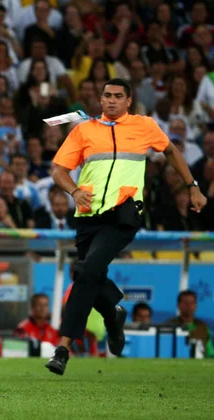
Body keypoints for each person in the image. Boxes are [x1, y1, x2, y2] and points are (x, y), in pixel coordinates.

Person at [45, 78, 207, 375]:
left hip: (124, 213)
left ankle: (62, 349)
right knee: (87, 273)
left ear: (129, 100)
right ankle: (113, 314)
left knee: (86, 271)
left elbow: (170, 151)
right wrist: (74, 191)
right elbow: (59, 171)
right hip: (87, 215)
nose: (111, 101)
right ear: (101, 99)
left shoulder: (145, 126)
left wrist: (192, 186)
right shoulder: (84, 130)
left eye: (118, 96)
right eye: (107, 95)